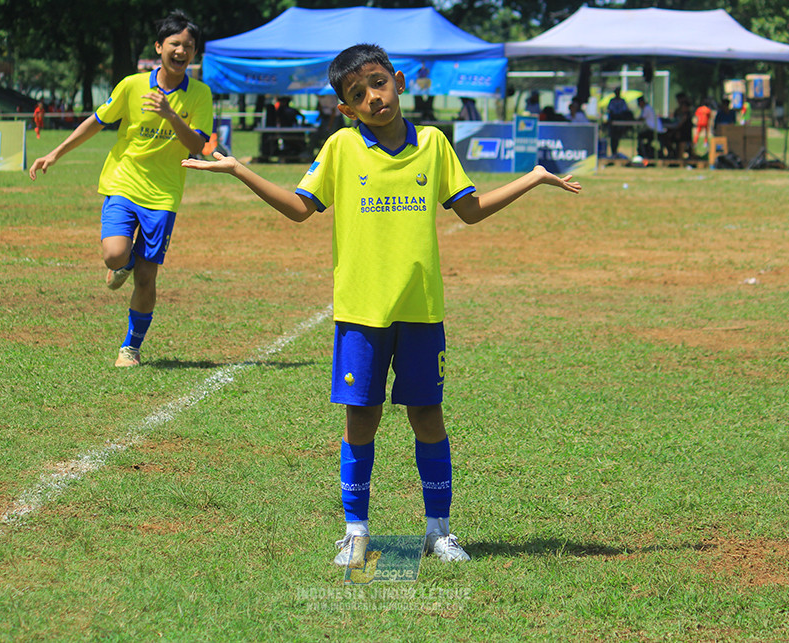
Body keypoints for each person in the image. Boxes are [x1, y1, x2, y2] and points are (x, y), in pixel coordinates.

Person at [182, 43, 581, 567]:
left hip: (420, 311)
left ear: (397, 80)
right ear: (345, 108)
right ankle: (356, 530)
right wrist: (239, 171)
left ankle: (438, 529)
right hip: (360, 314)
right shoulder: (341, 148)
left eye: (377, 84)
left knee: (428, 416)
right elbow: (302, 209)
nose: (372, 97)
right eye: (356, 94)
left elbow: (471, 211)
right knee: (360, 420)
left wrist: (532, 177)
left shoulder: (434, 144)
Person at [28, 10, 212, 367]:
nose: (181, 51)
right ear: (159, 47)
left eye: (188, 46)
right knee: (114, 255)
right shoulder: (131, 85)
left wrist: (170, 115)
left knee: (146, 277)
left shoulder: (200, 95)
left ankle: (131, 347)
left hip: (163, 195)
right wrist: (54, 153)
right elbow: (97, 122)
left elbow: (198, 146)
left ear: (194, 53)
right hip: (123, 182)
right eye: (174, 44)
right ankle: (122, 263)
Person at [605, 88, 634, 157]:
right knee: (613, 138)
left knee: (618, 137)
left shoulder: (622, 101)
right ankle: (613, 152)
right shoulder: (612, 101)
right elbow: (610, 110)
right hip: (613, 121)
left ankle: (616, 152)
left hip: (620, 120)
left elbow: (625, 110)